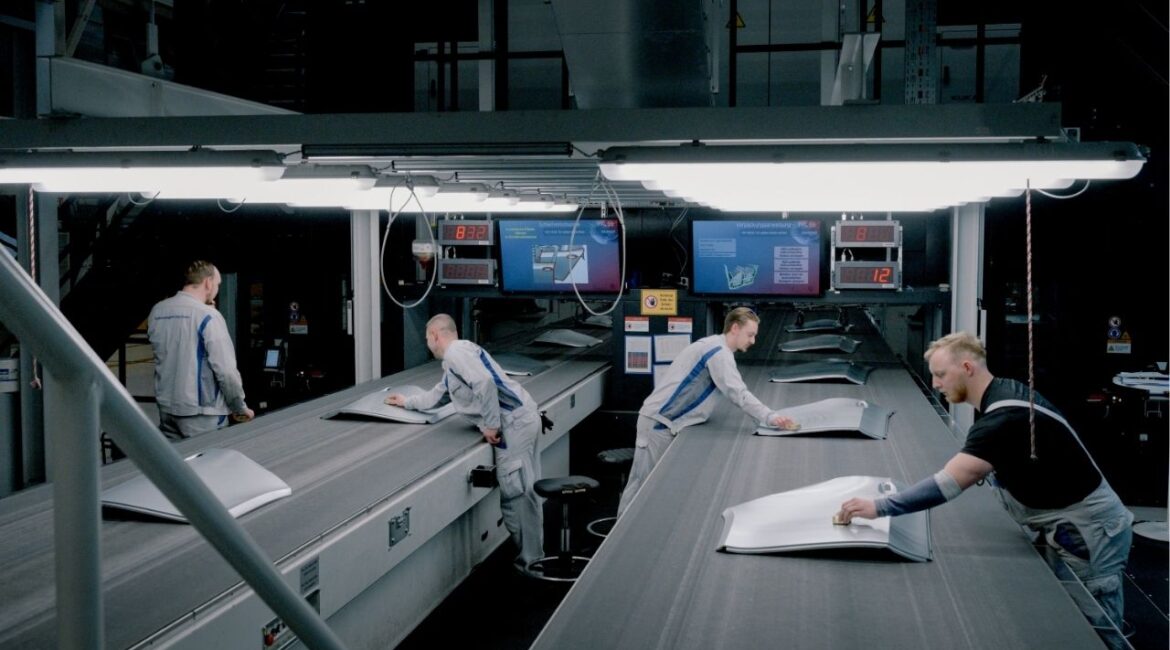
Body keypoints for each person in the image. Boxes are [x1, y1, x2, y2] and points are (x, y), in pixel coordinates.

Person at [836, 332, 1132, 640]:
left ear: (967, 368)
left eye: (940, 375)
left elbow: (947, 484)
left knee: (1095, 629)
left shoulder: (1003, 418)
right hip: (1063, 520)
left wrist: (879, 507)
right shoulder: (1005, 392)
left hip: (1088, 530)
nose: (936, 384)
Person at [385, 313, 543, 575]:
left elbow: (485, 383)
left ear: (436, 335)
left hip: (513, 426)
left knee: (517, 498)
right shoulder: (456, 364)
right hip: (522, 420)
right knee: (525, 495)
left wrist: (491, 425)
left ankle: (532, 569)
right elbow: (436, 398)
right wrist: (406, 401)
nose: (427, 344)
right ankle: (534, 560)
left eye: (427, 339)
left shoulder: (456, 353)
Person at [617, 307, 795, 516]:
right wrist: (769, 416)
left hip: (665, 423)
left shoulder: (714, 345)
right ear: (735, 328)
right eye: (750, 335)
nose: (753, 341)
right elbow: (738, 393)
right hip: (657, 424)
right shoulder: (717, 353)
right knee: (641, 487)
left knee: (649, 487)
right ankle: (616, 541)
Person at [147, 260, 254, 439]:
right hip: (202, 414)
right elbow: (226, 371)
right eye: (218, 285)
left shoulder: (157, 311)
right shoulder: (208, 316)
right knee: (207, 463)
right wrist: (239, 407)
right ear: (208, 282)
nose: (217, 290)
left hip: (167, 410)